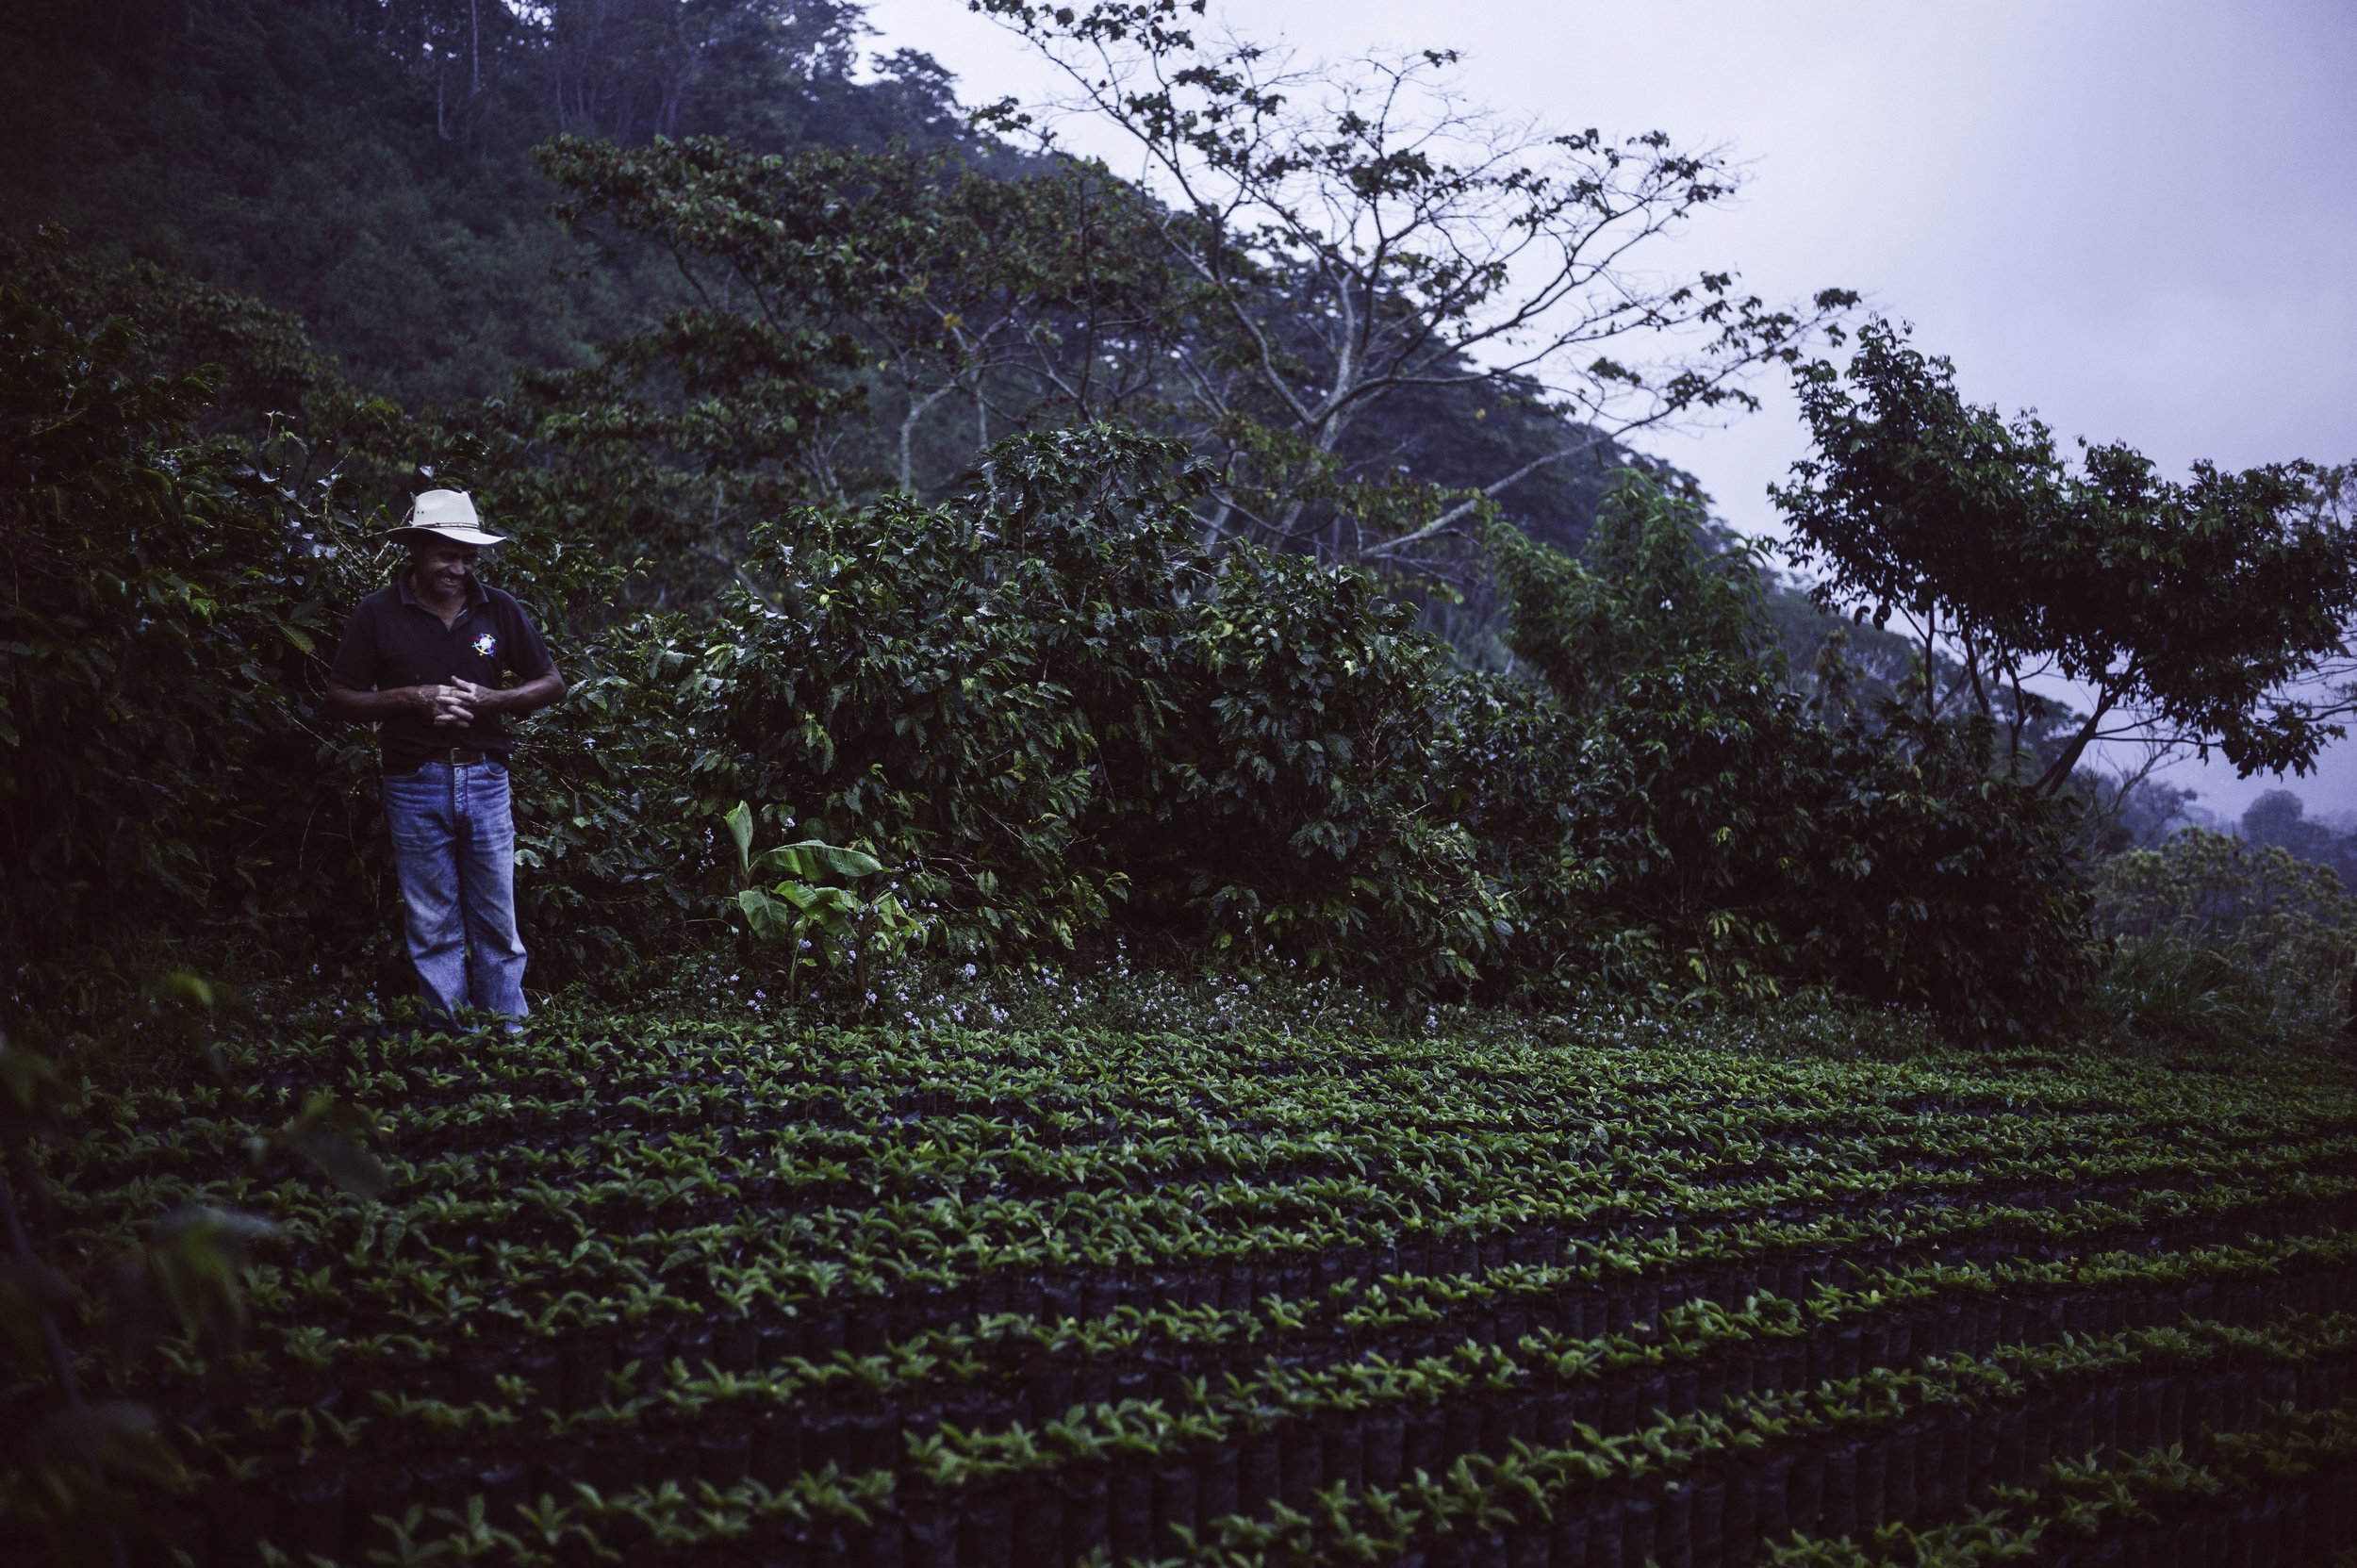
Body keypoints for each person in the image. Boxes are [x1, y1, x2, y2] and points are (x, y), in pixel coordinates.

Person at [325, 490, 566, 1028]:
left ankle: (508, 1037)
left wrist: (494, 701)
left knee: (497, 919)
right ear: (416, 550)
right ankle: (450, 1040)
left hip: (485, 777)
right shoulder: (378, 614)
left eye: (468, 557)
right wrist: (413, 699)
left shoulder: (497, 607)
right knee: (432, 922)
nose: (459, 568)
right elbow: (340, 698)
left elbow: (552, 682)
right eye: (446, 556)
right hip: (412, 780)